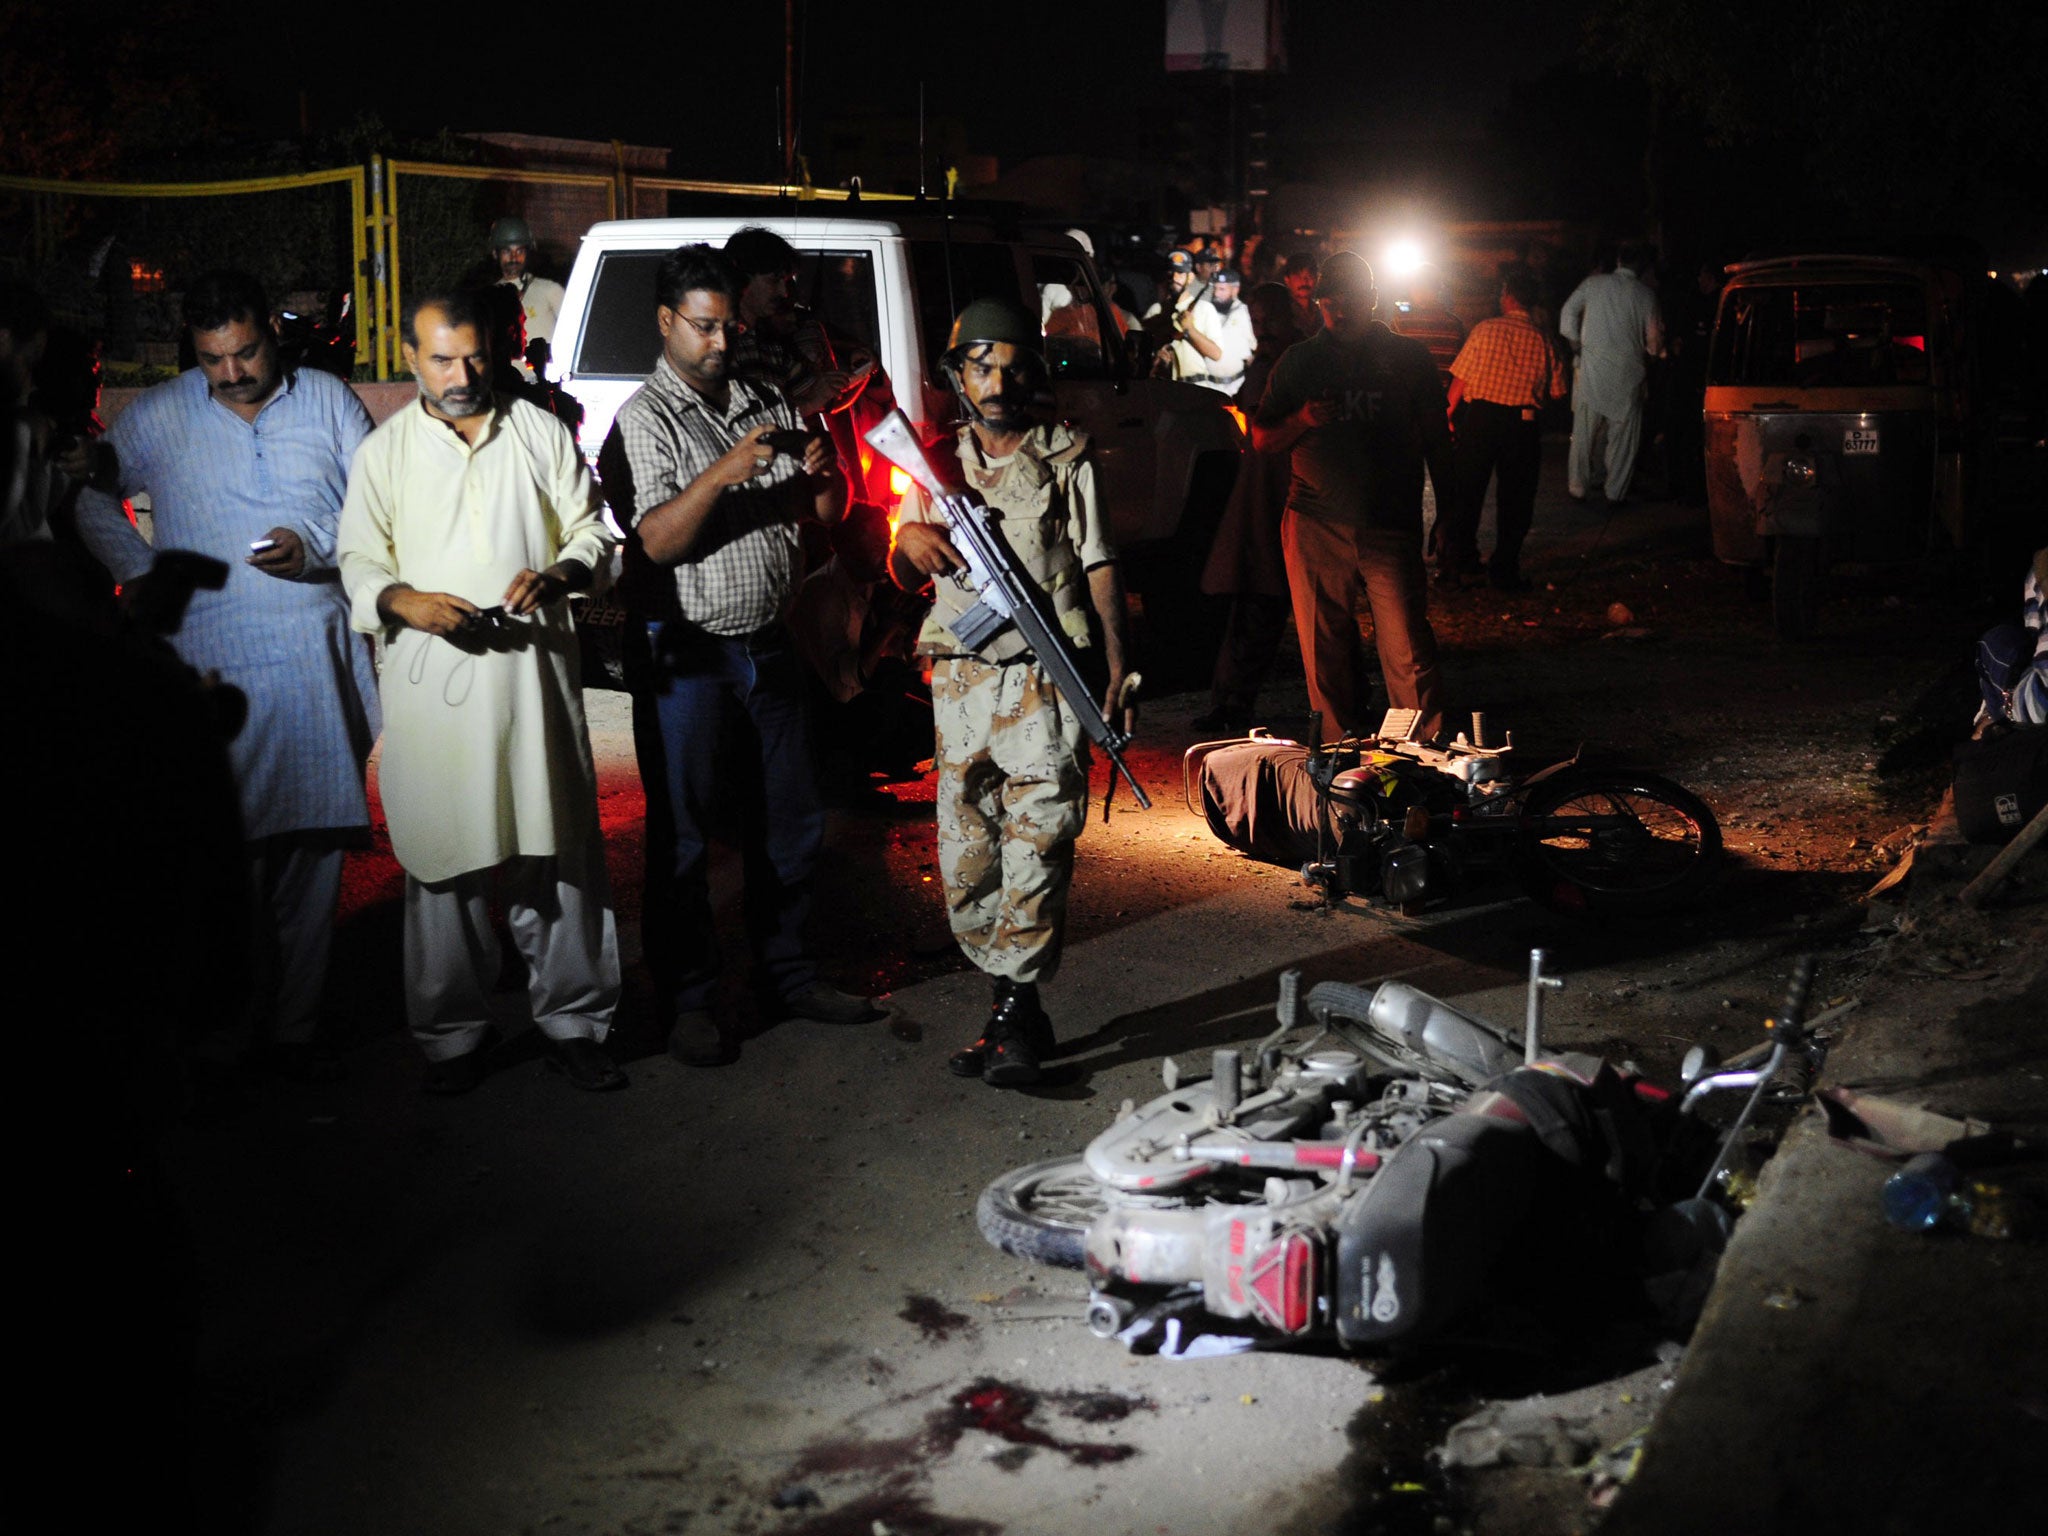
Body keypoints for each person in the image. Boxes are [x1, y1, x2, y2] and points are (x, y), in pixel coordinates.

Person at [71, 271, 380, 1081]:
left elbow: (375, 506)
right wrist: (137, 570)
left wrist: (311, 542)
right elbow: (89, 495)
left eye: (246, 352)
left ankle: (294, 1029)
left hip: (317, 655)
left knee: (312, 851)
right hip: (213, 662)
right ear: (194, 355)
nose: (234, 373)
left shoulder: (327, 401)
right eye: (215, 360)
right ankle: (228, 1029)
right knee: (226, 852)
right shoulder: (160, 415)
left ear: (272, 337)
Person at [598, 243, 879, 1069]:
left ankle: (787, 975)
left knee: (789, 822)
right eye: (705, 327)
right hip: (685, 654)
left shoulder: (761, 397)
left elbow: (825, 509)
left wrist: (825, 469)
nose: (722, 342)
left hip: (768, 643)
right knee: (684, 837)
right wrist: (724, 471)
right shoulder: (643, 421)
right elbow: (653, 542)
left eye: (729, 325)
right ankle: (687, 1001)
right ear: (666, 323)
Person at [337, 289, 624, 1095]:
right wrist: (409, 603)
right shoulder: (384, 454)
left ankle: (575, 1022)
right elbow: (358, 562)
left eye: (473, 355)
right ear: (408, 358)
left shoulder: (537, 430)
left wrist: (564, 571)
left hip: (531, 685)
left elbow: (594, 530)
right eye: (440, 358)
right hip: (435, 696)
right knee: (444, 866)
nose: (460, 373)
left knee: (555, 858)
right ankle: (452, 1036)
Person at [889, 297, 1134, 1088]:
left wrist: (1115, 667)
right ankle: (1011, 1008)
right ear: (957, 374)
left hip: (1044, 675)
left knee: (1040, 840)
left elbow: (1100, 565)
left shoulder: (1069, 459)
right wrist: (907, 541)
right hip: (960, 681)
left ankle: (1015, 1014)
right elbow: (900, 561)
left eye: (1010, 364)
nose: (997, 380)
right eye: (980, 363)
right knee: (968, 853)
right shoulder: (932, 464)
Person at [1252, 251, 1450, 742]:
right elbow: (1261, 439)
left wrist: (1450, 512)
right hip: (1315, 523)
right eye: (1330, 301)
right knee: (1325, 649)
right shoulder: (1301, 361)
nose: (1340, 310)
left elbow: (1437, 440)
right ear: (1319, 304)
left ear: (1373, 300)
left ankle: (1423, 753)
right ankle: (1339, 755)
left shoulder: (1408, 358)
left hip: (1389, 522)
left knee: (1407, 648)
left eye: (1351, 300)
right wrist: (1301, 418)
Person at [1194, 282, 1303, 731]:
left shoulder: (1293, 362)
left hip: (1284, 495)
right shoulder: (1273, 362)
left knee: (1263, 604)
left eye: (1268, 319)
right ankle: (1232, 701)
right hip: (1265, 495)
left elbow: (1263, 430)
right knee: (1256, 604)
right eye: (1256, 320)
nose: (1262, 329)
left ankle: (1234, 700)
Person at [1440, 267, 1571, 591]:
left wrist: (1447, 414)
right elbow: (1558, 391)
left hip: (1482, 418)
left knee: (1467, 492)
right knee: (1516, 498)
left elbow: (1462, 377)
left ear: (1508, 296)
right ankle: (1504, 568)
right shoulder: (1543, 338)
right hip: (1522, 424)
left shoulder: (1485, 330)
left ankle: (1458, 564)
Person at [1559, 240, 1664, 505]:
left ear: (1618, 260)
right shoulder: (1645, 295)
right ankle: (1614, 491)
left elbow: (1567, 312)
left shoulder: (1593, 284)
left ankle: (1577, 487)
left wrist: (1576, 343)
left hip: (1592, 371)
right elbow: (1654, 342)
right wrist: (1654, 352)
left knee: (1583, 435)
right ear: (1641, 265)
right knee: (1623, 438)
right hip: (1628, 375)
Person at [724, 225, 869, 418]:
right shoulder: (722, 344)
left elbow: (812, 389)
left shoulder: (769, 345)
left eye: (786, 281)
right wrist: (810, 402)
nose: (784, 293)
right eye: (774, 280)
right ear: (742, 279)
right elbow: (743, 422)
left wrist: (841, 379)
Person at [490, 215, 565, 384]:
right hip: (506, 383)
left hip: (546, 381)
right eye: (507, 251)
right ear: (496, 253)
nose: (514, 257)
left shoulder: (550, 290)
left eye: (520, 251)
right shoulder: (490, 296)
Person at [1177, 267, 1256, 395]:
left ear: (1235, 290)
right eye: (1215, 289)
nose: (1216, 294)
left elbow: (1256, 349)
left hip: (1237, 386)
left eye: (1222, 289)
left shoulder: (1246, 314)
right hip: (1209, 386)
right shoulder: (1206, 312)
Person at [1390, 264, 1466, 390]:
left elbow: (1391, 359)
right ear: (1438, 289)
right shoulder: (1455, 324)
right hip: (1440, 397)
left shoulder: (1401, 320)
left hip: (1406, 394)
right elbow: (1458, 369)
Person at [1282, 252, 1323, 336]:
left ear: (1317, 278)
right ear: (1287, 279)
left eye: (1309, 275)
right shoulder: (1282, 312)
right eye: (1297, 275)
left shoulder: (1323, 311)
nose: (1304, 281)